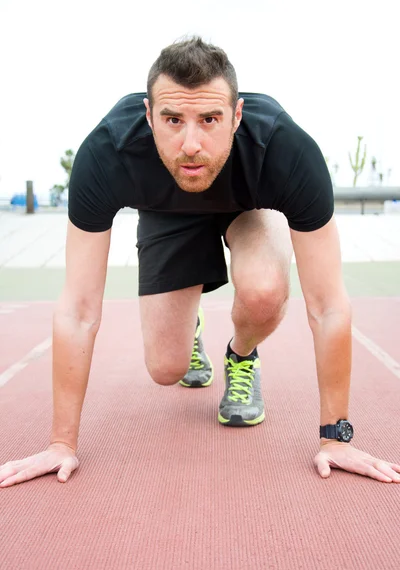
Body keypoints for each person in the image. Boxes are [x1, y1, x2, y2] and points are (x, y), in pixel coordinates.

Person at [1, 37, 399, 487]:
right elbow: (77, 309)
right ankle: (190, 330)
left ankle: (241, 356)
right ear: (148, 116)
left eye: (210, 119)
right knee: (166, 370)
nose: (191, 143)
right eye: (173, 120)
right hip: (167, 210)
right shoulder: (106, 153)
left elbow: (328, 305)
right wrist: (61, 443)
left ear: (238, 116)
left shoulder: (285, 150)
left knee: (265, 289)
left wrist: (336, 438)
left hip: (249, 207)